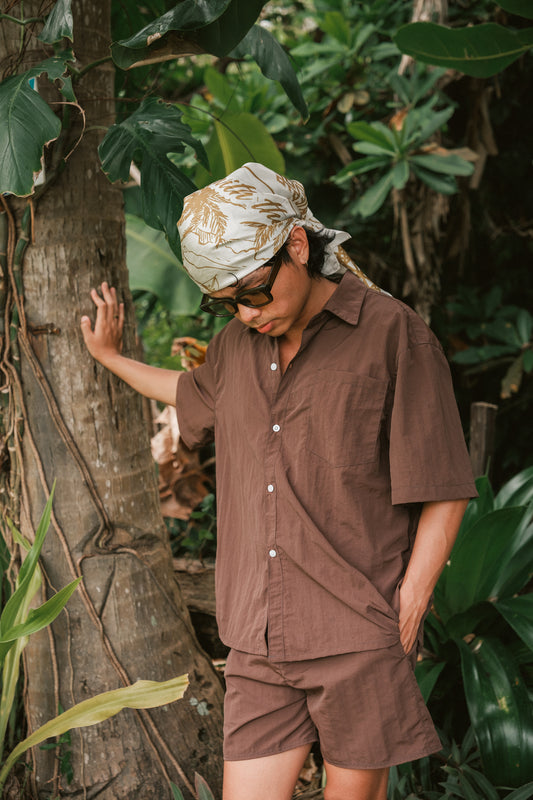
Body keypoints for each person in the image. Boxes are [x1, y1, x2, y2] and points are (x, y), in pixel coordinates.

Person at [81, 163, 477, 800]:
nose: (244, 311)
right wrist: (110, 358)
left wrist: (409, 606)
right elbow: (189, 395)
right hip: (257, 638)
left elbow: (444, 483)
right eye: (227, 300)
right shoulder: (237, 346)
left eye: (254, 291)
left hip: (356, 631)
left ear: (297, 245)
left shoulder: (391, 334)